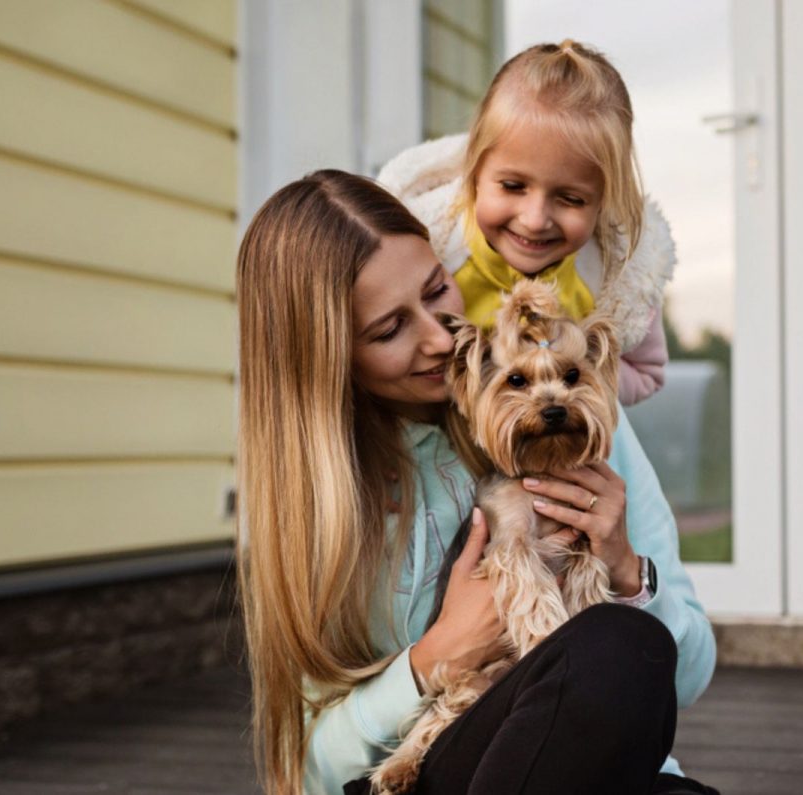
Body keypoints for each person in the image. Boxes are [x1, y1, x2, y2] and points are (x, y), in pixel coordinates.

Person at [236, 170, 717, 795]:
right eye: (390, 330)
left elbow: (686, 677)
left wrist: (626, 572)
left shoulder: (580, 426)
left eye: (438, 290)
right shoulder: (317, 499)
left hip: (582, 756)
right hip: (421, 773)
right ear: (331, 358)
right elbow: (309, 768)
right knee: (606, 652)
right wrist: (437, 656)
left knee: (621, 649)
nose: (440, 338)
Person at [378, 40, 676, 407]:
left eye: (570, 199)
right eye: (513, 186)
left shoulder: (614, 274)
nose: (534, 220)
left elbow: (646, 372)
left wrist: (570, 376)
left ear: (604, 202)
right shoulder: (432, 252)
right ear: (473, 170)